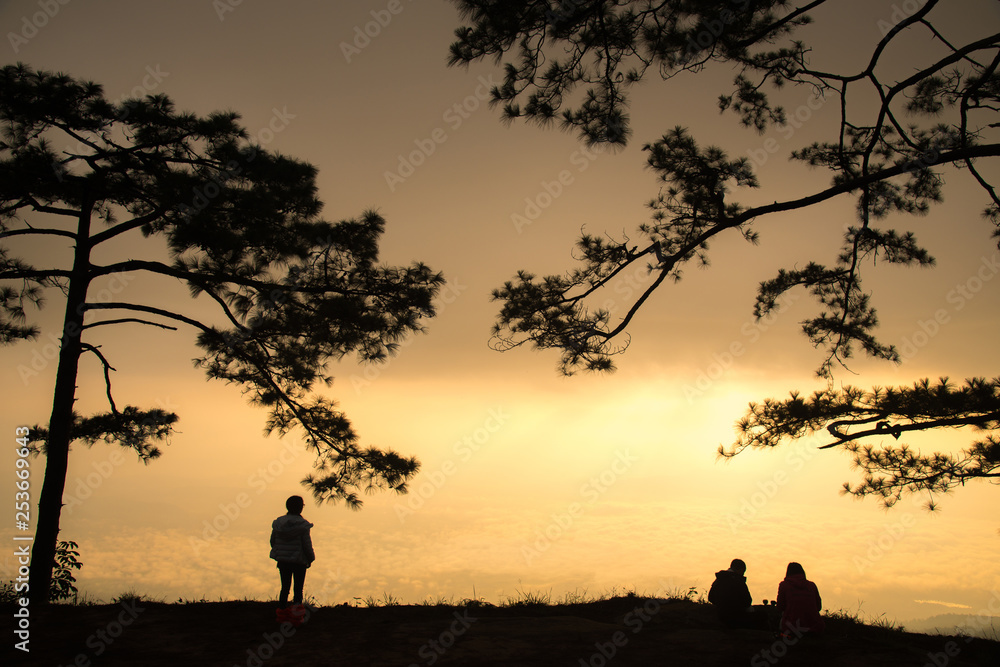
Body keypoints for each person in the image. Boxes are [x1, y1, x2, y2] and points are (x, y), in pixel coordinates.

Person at [269, 495, 315, 610]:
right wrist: (311, 558)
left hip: (283, 561)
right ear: (300, 508)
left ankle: (282, 610)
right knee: (298, 589)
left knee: (284, 588)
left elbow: (272, 541)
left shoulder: (279, 523)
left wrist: (280, 552)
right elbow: (307, 545)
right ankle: (296, 614)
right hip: (299, 561)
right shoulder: (303, 525)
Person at [776, 562, 825, 635]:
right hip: (814, 626)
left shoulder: (784, 585)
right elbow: (818, 607)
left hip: (791, 627)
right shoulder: (812, 586)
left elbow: (780, 607)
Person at [708, 558, 759, 628]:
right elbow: (747, 601)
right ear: (740, 570)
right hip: (737, 617)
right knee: (762, 615)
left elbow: (710, 598)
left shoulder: (718, 579)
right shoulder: (739, 581)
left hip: (720, 615)